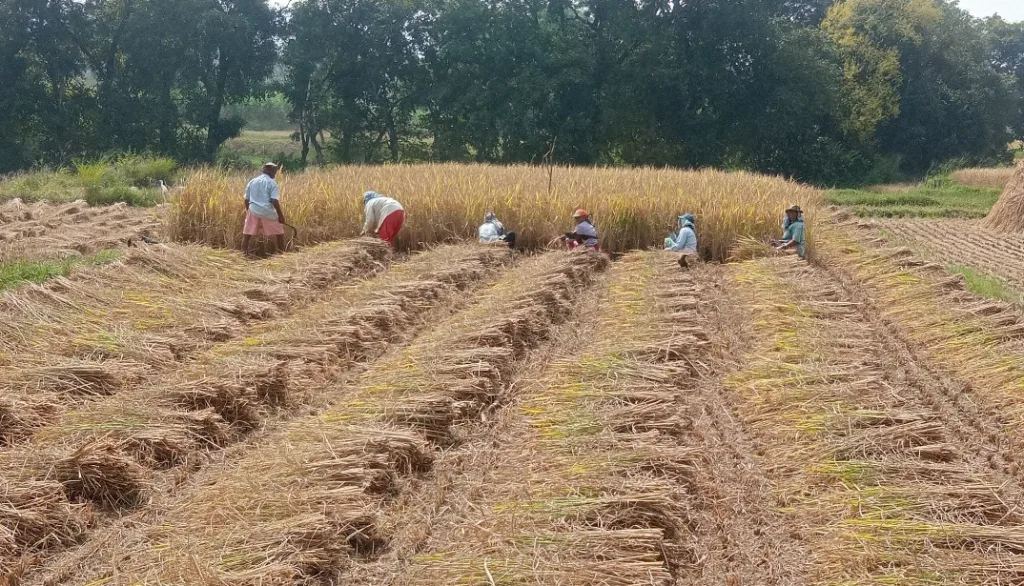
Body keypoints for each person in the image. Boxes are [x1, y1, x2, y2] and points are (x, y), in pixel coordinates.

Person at [242, 162, 286, 256]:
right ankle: (281, 255)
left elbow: (246, 199)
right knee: (279, 233)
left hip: (253, 210)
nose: (275, 173)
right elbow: (274, 201)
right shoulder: (272, 183)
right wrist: (280, 216)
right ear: (268, 171)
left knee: (247, 234)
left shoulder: (252, 181)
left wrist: (248, 211)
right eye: (274, 171)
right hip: (267, 212)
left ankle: (244, 254)